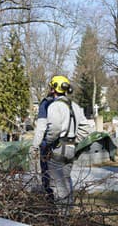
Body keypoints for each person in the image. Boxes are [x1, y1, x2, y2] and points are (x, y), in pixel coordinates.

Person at [41, 75, 90, 215]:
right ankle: (68, 213)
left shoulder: (55, 106)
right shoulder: (75, 106)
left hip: (57, 149)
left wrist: (48, 142)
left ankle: (62, 217)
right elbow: (86, 128)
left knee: (57, 184)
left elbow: (55, 128)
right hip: (70, 149)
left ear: (53, 88)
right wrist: (74, 140)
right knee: (66, 180)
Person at [29, 93, 54, 192]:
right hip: (66, 146)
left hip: (47, 145)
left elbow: (41, 128)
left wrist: (35, 146)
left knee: (45, 174)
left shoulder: (46, 103)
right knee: (63, 179)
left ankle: (47, 199)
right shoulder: (68, 104)